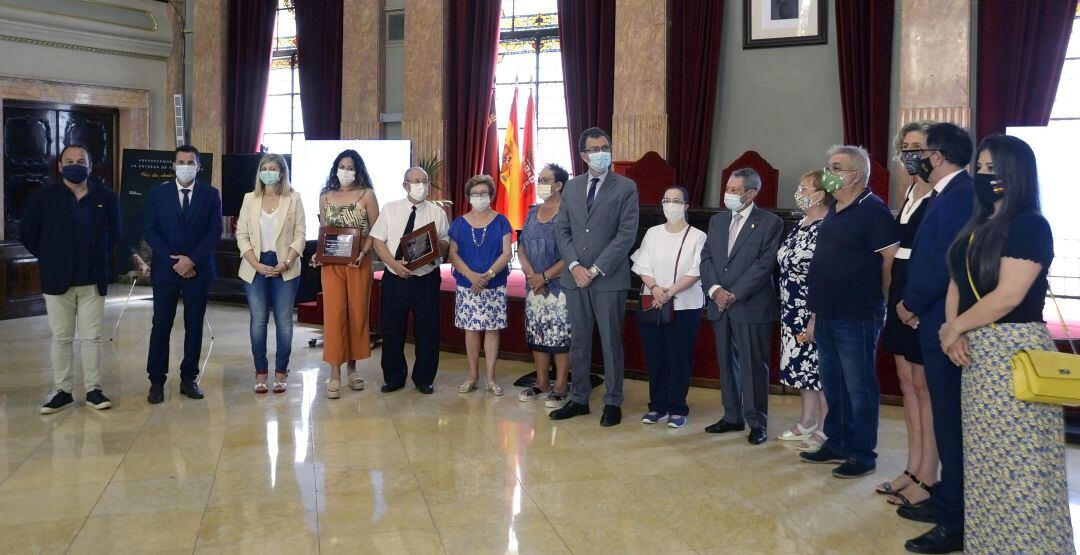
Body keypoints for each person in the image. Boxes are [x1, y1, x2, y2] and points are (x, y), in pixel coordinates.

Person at [940, 134, 1073, 554]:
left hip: (1014, 351)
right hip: (977, 352)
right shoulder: (977, 224)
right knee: (986, 464)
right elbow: (956, 282)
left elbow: (1010, 296)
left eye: (993, 170)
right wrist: (954, 329)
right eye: (979, 168)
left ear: (1016, 174)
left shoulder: (1030, 225)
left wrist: (953, 329)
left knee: (1022, 465)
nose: (983, 176)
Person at [896, 123, 975, 554]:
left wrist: (911, 302)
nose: (915, 159)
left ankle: (956, 520)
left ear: (937, 155)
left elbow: (943, 262)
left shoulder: (960, 195)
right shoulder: (947, 193)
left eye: (920, 151)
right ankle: (946, 496)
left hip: (939, 320)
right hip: (930, 318)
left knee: (949, 421)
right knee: (944, 420)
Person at [801, 145, 899, 478]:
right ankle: (837, 442)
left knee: (859, 387)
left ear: (855, 175)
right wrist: (815, 314)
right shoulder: (836, 209)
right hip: (827, 313)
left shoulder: (874, 211)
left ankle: (862, 453)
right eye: (828, 165)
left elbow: (889, 261)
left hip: (857, 314)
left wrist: (881, 302)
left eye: (836, 167)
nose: (828, 172)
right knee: (833, 383)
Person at [20, 144, 121, 413]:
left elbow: (115, 234)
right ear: (60, 166)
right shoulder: (44, 197)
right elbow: (28, 234)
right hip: (57, 280)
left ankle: (93, 390)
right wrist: (52, 257)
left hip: (92, 279)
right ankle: (63, 390)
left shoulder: (106, 197)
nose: (76, 165)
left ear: (90, 166)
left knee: (92, 337)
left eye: (81, 160)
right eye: (70, 161)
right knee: (62, 337)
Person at [550, 127, 639, 427]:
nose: (602, 153)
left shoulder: (626, 187)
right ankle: (579, 398)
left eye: (606, 147)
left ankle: (613, 401)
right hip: (575, 278)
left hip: (608, 278)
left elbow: (626, 235)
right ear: (584, 155)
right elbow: (562, 230)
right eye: (595, 149)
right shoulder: (572, 187)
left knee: (611, 341)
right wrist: (574, 265)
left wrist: (596, 268)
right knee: (579, 340)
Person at [877, 121, 940, 507]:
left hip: (922, 298)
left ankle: (928, 476)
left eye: (918, 146)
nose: (910, 153)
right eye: (906, 146)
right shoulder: (911, 189)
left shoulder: (942, 194)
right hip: (900, 293)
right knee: (906, 384)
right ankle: (912, 467)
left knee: (925, 387)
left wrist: (916, 302)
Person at [700, 168, 784, 445]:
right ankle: (731, 416)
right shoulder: (717, 221)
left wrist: (733, 293)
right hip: (719, 304)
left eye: (735, 191)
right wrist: (714, 290)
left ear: (751, 194)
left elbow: (764, 265)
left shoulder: (770, 222)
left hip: (751, 305)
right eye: (728, 188)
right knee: (726, 363)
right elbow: (707, 258)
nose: (729, 194)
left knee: (753, 366)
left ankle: (757, 422)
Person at [143, 145, 223, 404]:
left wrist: (191, 260)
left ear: (199, 166)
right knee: (161, 323)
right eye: (181, 161)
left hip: (198, 270)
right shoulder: (158, 193)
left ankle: (189, 378)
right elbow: (152, 231)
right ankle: (156, 380)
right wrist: (175, 261)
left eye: (191, 162)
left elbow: (214, 232)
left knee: (194, 324)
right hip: (166, 270)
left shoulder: (211, 195)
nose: (186, 166)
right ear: (173, 165)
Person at [630, 186, 706, 429]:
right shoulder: (652, 233)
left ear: (685, 206)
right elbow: (643, 265)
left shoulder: (698, 236)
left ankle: (677, 407)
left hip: (684, 305)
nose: (670, 204)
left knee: (678, 357)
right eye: (666, 200)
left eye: (676, 200)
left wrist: (669, 292)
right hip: (652, 302)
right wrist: (655, 289)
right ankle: (657, 405)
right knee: (655, 356)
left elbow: (695, 271)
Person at [369, 167, 450, 394]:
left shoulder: (437, 213)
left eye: (424, 181)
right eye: (415, 181)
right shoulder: (390, 209)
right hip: (395, 278)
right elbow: (378, 241)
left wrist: (434, 246)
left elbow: (445, 243)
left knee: (428, 331)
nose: (420, 185)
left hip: (426, 278)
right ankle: (394, 377)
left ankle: (424, 378)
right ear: (405, 185)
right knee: (393, 330)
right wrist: (394, 265)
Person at [310, 150, 379, 399]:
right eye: (342, 166)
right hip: (332, 264)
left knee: (357, 313)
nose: (346, 171)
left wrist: (364, 252)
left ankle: (353, 369)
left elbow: (376, 230)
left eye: (350, 167)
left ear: (358, 170)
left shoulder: (367, 195)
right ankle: (334, 372)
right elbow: (324, 230)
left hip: (359, 262)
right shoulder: (325, 196)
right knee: (334, 314)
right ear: (335, 168)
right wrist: (318, 253)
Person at [235, 153, 306, 394]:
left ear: (282, 173)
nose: (268, 172)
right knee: (258, 321)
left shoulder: (294, 198)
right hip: (255, 265)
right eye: (264, 168)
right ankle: (261, 372)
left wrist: (286, 262)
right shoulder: (249, 199)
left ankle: (281, 372)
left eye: (273, 168)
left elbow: (300, 235)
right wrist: (255, 264)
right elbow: (241, 235)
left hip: (284, 266)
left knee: (284, 322)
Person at [776, 170, 828, 451]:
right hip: (790, 309)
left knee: (818, 370)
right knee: (801, 370)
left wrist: (815, 316)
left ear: (820, 194)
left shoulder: (827, 226)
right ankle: (807, 420)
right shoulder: (802, 222)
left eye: (804, 188)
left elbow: (825, 274)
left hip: (812, 310)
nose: (798, 192)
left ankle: (824, 428)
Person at [448, 175, 513, 395]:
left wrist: (487, 275)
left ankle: (491, 378)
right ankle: (473, 375)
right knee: (471, 330)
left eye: (483, 193)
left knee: (492, 330)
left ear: (491, 196)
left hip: (494, 284)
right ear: (468, 197)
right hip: (468, 284)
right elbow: (453, 254)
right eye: (475, 194)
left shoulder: (502, 221)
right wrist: (472, 276)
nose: (479, 197)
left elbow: (507, 253)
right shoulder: (459, 223)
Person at [517, 164, 571, 407]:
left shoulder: (569, 213)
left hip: (560, 286)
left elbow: (572, 252)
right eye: (539, 178)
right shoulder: (531, 212)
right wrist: (531, 275)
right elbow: (522, 247)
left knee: (560, 337)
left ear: (558, 185)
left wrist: (545, 277)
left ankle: (560, 385)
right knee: (537, 333)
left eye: (546, 179)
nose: (540, 182)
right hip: (534, 285)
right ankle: (541, 382)